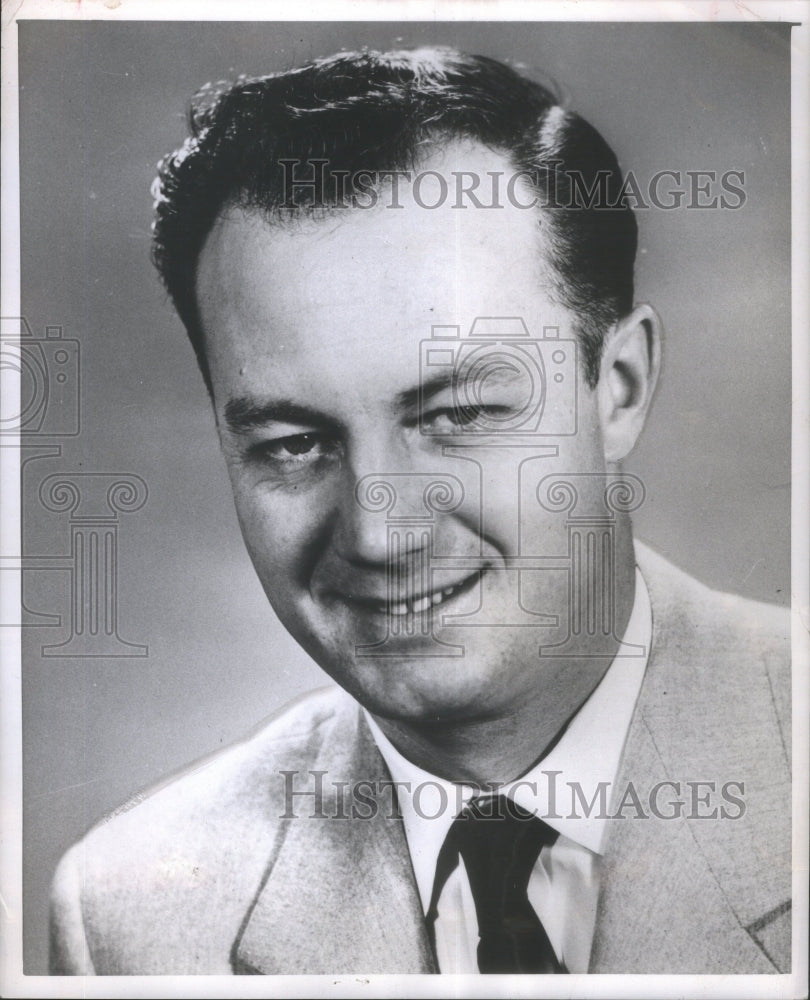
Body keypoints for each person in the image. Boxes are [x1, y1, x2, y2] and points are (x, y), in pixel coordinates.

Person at [48, 46, 791, 976]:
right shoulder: (128, 920)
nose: (380, 532)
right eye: (293, 443)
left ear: (620, 387)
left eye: (459, 415)